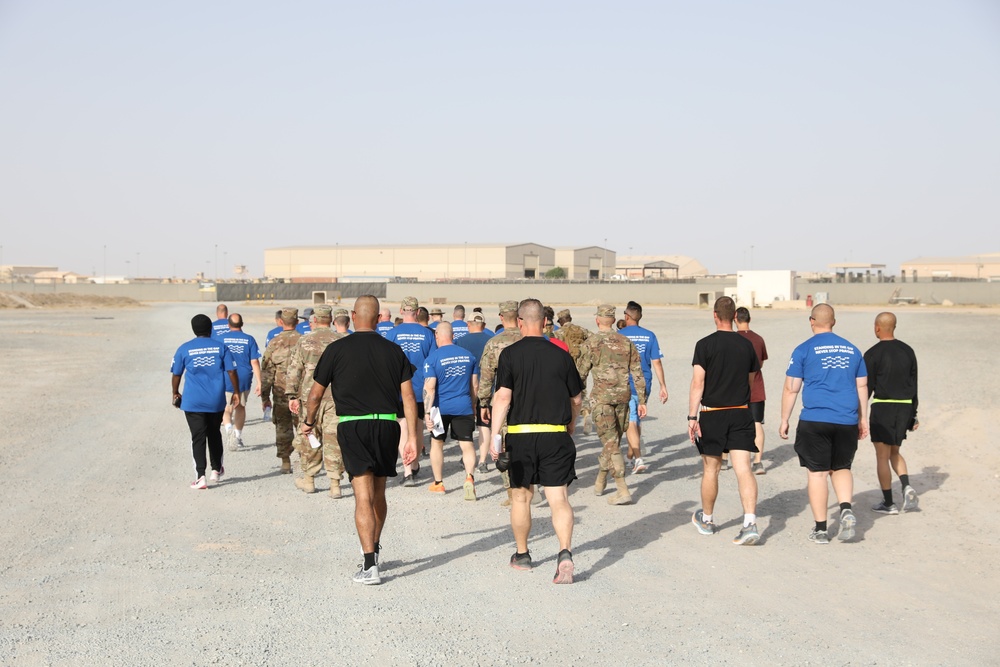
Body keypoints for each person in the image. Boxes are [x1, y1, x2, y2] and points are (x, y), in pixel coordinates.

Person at [302, 295, 418, 585]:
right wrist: (413, 438)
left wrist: (308, 422)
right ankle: (374, 550)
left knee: (362, 495)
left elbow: (315, 394)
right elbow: (408, 397)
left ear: (353, 316)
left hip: (354, 426)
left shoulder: (337, 349)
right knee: (379, 493)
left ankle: (369, 565)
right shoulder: (394, 351)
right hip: (387, 426)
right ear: (379, 318)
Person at [490, 299, 583, 584]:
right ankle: (565, 553)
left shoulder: (509, 354)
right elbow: (576, 398)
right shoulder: (561, 355)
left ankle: (523, 555)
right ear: (545, 322)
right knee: (559, 498)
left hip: (521, 435)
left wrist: (495, 436)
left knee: (521, 497)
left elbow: (503, 397)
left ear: (519, 322)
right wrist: (570, 425)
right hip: (555, 434)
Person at [779, 304, 869, 545]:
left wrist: (784, 419)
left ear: (811, 321)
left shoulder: (803, 350)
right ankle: (846, 508)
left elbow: (791, 388)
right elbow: (862, 387)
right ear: (834, 322)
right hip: (846, 419)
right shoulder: (852, 350)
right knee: (841, 467)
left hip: (815, 420)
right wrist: (863, 419)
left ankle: (820, 530)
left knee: (817, 474)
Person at [687, 297, 761, 545]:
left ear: (716, 315)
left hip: (712, 413)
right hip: (740, 410)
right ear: (734, 316)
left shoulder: (704, 345)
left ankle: (707, 520)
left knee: (711, 468)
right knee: (744, 468)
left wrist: (691, 416)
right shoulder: (746, 344)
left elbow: (698, 382)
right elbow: (750, 381)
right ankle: (749, 523)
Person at [576, 305, 645, 505]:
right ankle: (600, 480)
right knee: (612, 442)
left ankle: (622, 489)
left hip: (603, 400)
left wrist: (579, 399)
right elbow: (637, 373)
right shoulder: (626, 342)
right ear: (613, 320)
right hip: (623, 399)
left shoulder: (591, 343)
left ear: (598, 320)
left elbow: (580, 375)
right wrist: (642, 400)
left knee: (611, 443)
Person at [285, 305, 349, 497]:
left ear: (314, 320)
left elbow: (295, 370)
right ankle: (335, 484)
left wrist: (291, 395)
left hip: (310, 397)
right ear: (330, 320)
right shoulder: (341, 340)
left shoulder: (304, 341)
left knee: (310, 435)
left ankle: (310, 480)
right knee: (334, 439)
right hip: (336, 398)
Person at [171, 314, 240, 489]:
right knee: (214, 433)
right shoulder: (220, 347)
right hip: (215, 400)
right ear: (211, 329)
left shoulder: (184, 348)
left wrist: (175, 393)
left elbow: (176, 373)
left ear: (193, 330)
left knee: (198, 437)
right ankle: (216, 470)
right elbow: (231, 371)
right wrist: (236, 391)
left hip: (192, 401)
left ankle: (200, 476)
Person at [864, 311, 920, 514]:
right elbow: (914, 384)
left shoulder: (872, 353)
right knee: (895, 452)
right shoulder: (908, 351)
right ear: (894, 327)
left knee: (882, 456)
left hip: (883, 407)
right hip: (905, 407)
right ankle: (906, 486)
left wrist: (858, 414)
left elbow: (866, 388)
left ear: (877, 327)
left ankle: (889, 503)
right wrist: (913, 414)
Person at [422, 322, 479, 500]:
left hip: (440, 408)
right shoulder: (469, 356)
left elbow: (429, 388)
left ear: (437, 336)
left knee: (437, 443)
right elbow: (474, 386)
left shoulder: (432, 358)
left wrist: (427, 413)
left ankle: (439, 483)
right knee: (467, 444)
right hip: (463, 406)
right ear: (453, 335)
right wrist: (474, 406)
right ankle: (469, 477)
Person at [386, 296, 437, 485]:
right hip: (420, 386)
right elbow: (432, 361)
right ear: (417, 312)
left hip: (399, 387)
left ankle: (407, 470)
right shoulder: (428, 334)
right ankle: (414, 463)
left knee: (402, 425)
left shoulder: (393, 333)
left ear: (401, 312)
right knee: (417, 424)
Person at [477, 300, 523, 506]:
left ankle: (512, 492)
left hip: (505, 400)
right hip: (530, 400)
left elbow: (486, 377)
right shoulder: (530, 339)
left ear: (501, 318)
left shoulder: (495, 343)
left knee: (503, 443)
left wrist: (484, 403)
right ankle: (528, 484)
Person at [619, 301, 669, 473]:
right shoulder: (650, 335)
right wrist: (663, 385)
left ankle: (638, 459)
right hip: (645, 383)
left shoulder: (620, 335)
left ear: (626, 316)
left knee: (631, 418)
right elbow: (657, 362)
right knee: (637, 419)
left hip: (626, 382)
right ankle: (630, 457)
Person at [259, 308, 301, 474]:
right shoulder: (304, 341)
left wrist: (265, 397)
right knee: (304, 426)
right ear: (297, 322)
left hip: (281, 393)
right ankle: (304, 459)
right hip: (300, 395)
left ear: (281, 322)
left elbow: (267, 373)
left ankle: (285, 462)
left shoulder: (274, 343)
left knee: (283, 427)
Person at [216, 313, 262, 451]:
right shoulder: (249, 339)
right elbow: (254, 361)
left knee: (226, 408)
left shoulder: (220, 339)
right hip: (243, 377)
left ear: (228, 325)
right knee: (240, 407)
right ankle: (237, 436)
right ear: (242, 324)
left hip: (226, 377)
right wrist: (260, 382)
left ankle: (228, 429)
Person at [455, 313, 494, 473]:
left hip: (465, 389)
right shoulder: (491, 340)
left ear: (468, 324)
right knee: (484, 424)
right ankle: (483, 461)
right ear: (484, 325)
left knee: (466, 425)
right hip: (489, 388)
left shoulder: (460, 341)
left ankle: (467, 456)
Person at [735, 307, 769, 475]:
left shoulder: (733, 339)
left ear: (735, 319)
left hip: (735, 388)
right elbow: (760, 364)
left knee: (733, 422)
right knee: (757, 423)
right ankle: (758, 462)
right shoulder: (758, 339)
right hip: (756, 386)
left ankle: (727, 458)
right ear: (749, 318)